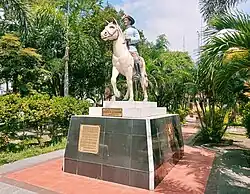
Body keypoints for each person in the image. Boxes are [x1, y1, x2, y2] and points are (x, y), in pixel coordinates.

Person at [122, 14, 141, 78]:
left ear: (129, 22)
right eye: (124, 20)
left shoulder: (134, 30)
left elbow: (138, 39)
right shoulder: (123, 31)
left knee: (135, 59)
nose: (124, 21)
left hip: (131, 48)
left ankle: (138, 73)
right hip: (124, 49)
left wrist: (130, 39)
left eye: (126, 20)